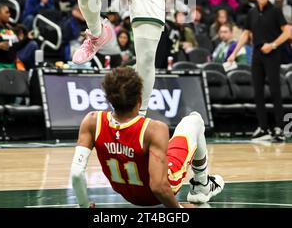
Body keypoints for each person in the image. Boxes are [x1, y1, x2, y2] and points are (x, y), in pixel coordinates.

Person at [71, 67, 224, 208]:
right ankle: (201, 186)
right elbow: (159, 186)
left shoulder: (92, 121)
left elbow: (77, 173)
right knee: (194, 120)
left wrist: (84, 205)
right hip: (158, 194)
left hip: (126, 192)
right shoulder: (154, 129)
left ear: (109, 99)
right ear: (140, 100)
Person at [227, 0, 291, 142]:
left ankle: (280, 128)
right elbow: (246, 34)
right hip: (257, 54)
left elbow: (288, 31)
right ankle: (263, 127)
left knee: (275, 91)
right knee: (258, 92)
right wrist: (234, 52)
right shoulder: (252, 13)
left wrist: (273, 44)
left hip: (273, 53)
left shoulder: (275, 11)